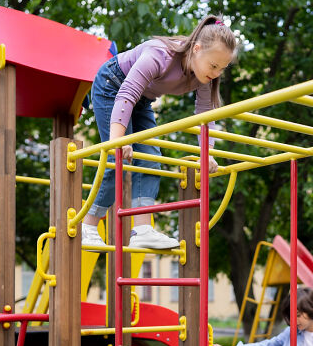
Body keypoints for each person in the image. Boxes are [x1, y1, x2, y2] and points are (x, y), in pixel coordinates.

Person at [81, 15, 238, 250]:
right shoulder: (160, 55)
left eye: (222, 69)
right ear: (196, 49)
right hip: (112, 86)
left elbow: (206, 115)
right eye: (213, 66)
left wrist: (209, 154)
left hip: (142, 101)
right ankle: (88, 226)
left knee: (152, 158)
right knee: (118, 159)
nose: (216, 73)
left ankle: (142, 228)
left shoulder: (204, 78)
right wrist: (118, 139)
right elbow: (127, 92)